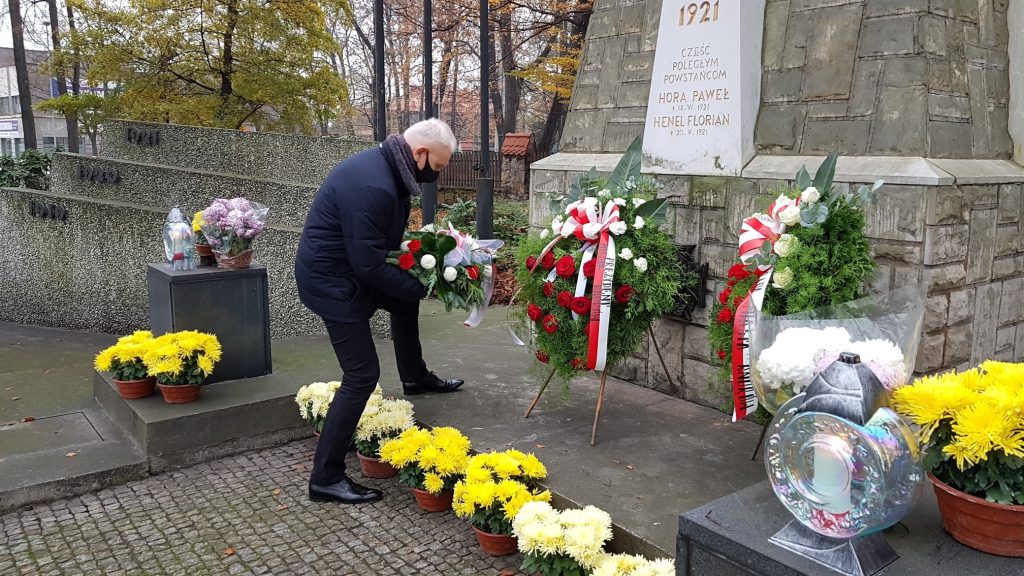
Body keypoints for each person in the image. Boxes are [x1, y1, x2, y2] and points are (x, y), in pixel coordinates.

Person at [295, 119, 465, 505]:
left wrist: (419, 265)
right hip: (333, 284)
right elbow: (368, 265)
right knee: (361, 375)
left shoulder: (388, 169)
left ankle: (415, 377)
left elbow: (378, 247)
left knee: (404, 301)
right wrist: (424, 286)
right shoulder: (374, 184)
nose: (436, 176)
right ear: (420, 153)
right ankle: (325, 478)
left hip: (349, 271)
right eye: (437, 167)